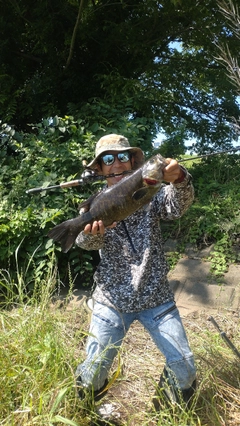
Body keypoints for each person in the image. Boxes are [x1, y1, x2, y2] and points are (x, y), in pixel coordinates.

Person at [75, 134, 196, 411]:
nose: (116, 163)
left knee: (186, 370)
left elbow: (178, 206)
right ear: (101, 169)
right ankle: (85, 412)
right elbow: (84, 243)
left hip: (157, 298)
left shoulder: (150, 193)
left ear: (132, 161)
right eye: (108, 159)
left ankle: (166, 410)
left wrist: (180, 178)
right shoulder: (95, 203)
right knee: (92, 373)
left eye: (122, 157)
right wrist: (95, 235)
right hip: (111, 300)